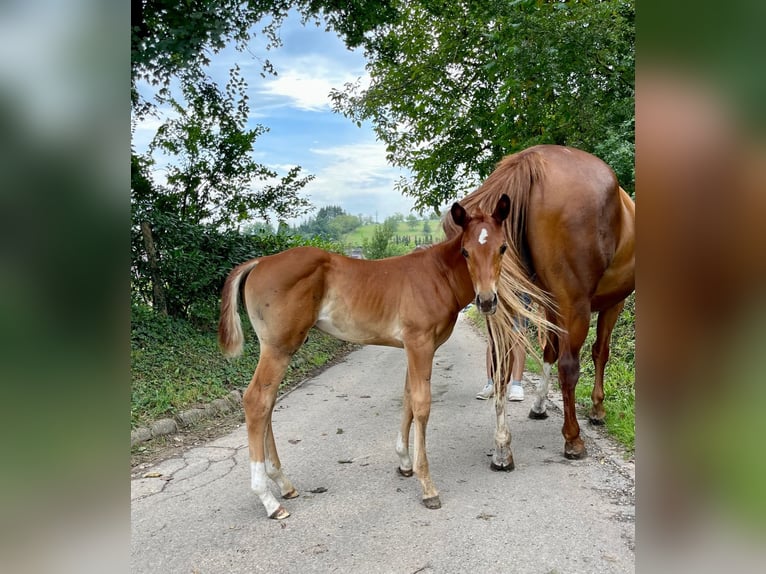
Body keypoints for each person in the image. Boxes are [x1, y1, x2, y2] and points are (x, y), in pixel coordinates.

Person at [476, 295, 530, 401]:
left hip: (520, 288)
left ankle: (516, 385)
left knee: (518, 334)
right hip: (497, 290)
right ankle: (491, 384)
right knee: (493, 337)